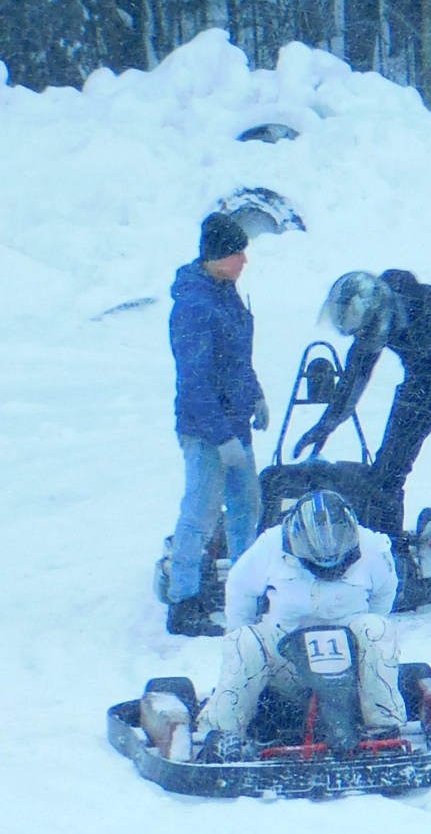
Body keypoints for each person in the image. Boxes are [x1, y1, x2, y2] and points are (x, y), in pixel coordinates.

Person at [302, 270, 431, 600]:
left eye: (365, 330)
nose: (365, 337)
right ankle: (388, 565)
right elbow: (356, 374)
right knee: (386, 473)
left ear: (380, 312)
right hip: (425, 380)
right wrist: (327, 423)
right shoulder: (377, 317)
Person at [197, 488, 403, 752]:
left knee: (379, 628)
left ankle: (384, 729)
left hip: (351, 667)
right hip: (286, 658)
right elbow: (240, 588)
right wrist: (242, 642)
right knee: (243, 640)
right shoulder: (271, 544)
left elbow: (384, 594)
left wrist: (368, 644)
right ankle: (221, 735)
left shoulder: (373, 547)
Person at [164, 213, 269, 636]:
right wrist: (220, 437)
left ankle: (244, 592)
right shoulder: (194, 305)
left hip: (234, 423)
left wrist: (255, 394)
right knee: (201, 513)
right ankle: (183, 601)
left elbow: (237, 360)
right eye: (237, 252)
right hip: (206, 428)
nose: (244, 259)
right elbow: (195, 381)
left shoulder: (226, 293)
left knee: (247, 507)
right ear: (217, 256)